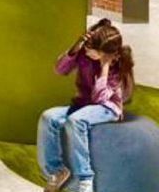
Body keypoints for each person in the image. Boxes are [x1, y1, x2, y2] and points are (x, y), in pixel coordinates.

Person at [39, 18, 136, 192]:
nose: (87, 53)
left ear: (104, 53)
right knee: (49, 117)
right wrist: (74, 49)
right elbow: (60, 70)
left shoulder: (117, 65)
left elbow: (100, 98)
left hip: (107, 108)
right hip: (83, 104)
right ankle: (56, 171)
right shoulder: (84, 54)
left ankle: (85, 180)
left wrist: (104, 67)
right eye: (86, 49)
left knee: (77, 120)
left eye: (92, 51)